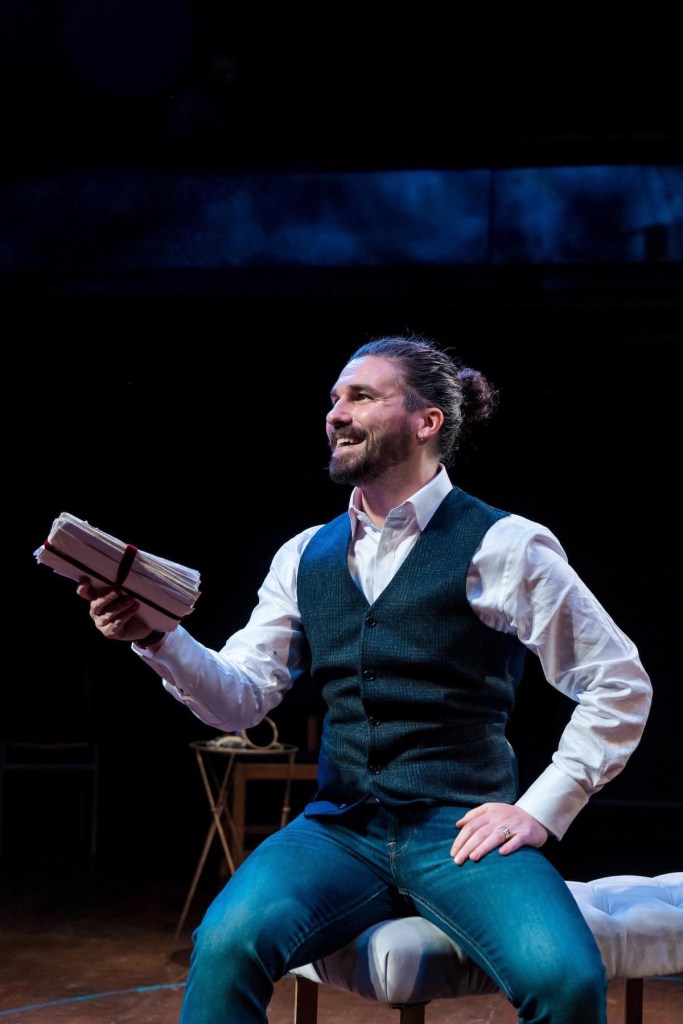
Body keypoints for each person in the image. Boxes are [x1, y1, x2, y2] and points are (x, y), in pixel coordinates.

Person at [77, 334, 652, 1023]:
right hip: (340, 828)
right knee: (225, 945)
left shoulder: (504, 544)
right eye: (333, 399)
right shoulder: (305, 555)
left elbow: (617, 682)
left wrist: (538, 810)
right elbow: (241, 701)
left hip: (459, 829)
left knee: (564, 978)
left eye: (361, 396)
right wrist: (157, 636)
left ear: (426, 421)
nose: (335, 413)